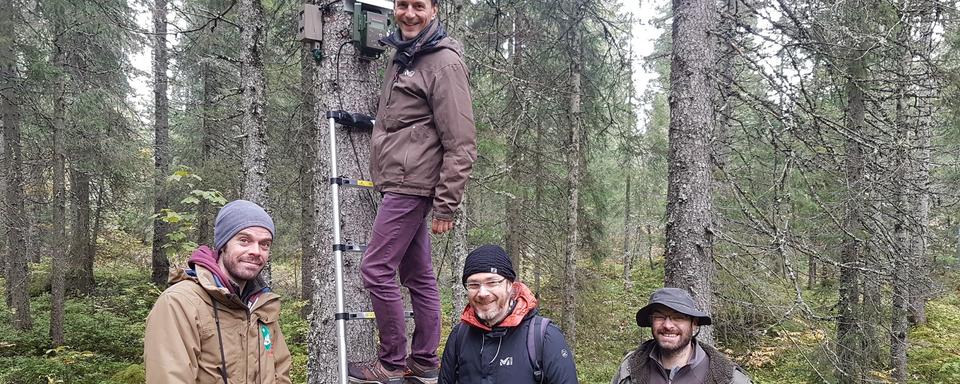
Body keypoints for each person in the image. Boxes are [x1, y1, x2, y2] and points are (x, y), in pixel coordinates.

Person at [347, 0, 476, 381]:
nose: (409, 13)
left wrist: (446, 205)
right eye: (402, 5)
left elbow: (463, 142)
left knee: (375, 268)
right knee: (417, 275)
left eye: (419, 6)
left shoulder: (444, 63)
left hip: (413, 184)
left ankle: (390, 361)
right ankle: (423, 361)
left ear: (434, 10)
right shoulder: (404, 54)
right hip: (400, 181)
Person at [144, 200, 291, 384]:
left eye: (265, 244)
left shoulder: (262, 308)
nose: (256, 251)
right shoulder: (180, 303)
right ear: (223, 244)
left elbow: (281, 375)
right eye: (244, 240)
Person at [438, 244, 579, 384]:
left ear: (510, 285)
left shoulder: (544, 337)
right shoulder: (459, 337)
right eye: (474, 285)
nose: (482, 293)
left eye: (492, 282)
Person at [610, 288, 751, 384]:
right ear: (651, 321)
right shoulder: (629, 369)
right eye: (659, 316)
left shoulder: (728, 378)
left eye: (678, 317)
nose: (667, 325)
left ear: (694, 323)